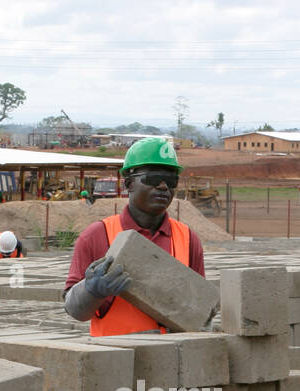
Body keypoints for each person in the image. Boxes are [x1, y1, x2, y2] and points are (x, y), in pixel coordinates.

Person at [62, 136, 204, 336]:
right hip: (114, 361)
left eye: (171, 181)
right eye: (153, 179)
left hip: (171, 362)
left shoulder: (188, 239)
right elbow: (73, 310)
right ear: (129, 184)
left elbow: (200, 312)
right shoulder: (97, 236)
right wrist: (90, 291)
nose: (164, 187)